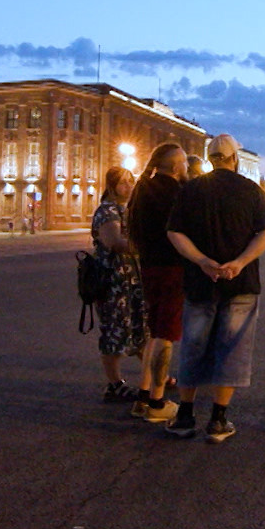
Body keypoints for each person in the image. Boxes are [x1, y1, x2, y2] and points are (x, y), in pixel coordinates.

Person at [163, 133, 265, 443]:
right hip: (240, 282)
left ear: (209, 158)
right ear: (234, 159)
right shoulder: (252, 190)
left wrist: (201, 261)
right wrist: (239, 262)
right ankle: (218, 420)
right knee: (233, 349)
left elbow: (175, 233)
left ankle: (185, 415)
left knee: (193, 347)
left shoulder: (191, 190)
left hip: (201, 282)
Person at [125, 142, 188, 423]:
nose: (187, 167)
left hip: (148, 266)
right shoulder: (178, 194)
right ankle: (157, 402)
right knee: (166, 334)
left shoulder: (142, 190)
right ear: (176, 166)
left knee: (155, 329)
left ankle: (143, 394)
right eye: (184, 162)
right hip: (173, 268)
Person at [91, 166, 147, 403]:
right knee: (115, 330)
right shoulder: (107, 211)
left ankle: (155, 376)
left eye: (131, 182)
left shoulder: (127, 210)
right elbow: (114, 242)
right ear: (111, 186)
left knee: (142, 328)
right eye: (123, 183)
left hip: (132, 281)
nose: (129, 187)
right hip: (114, 282)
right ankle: (114, 384)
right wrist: (146, 245)